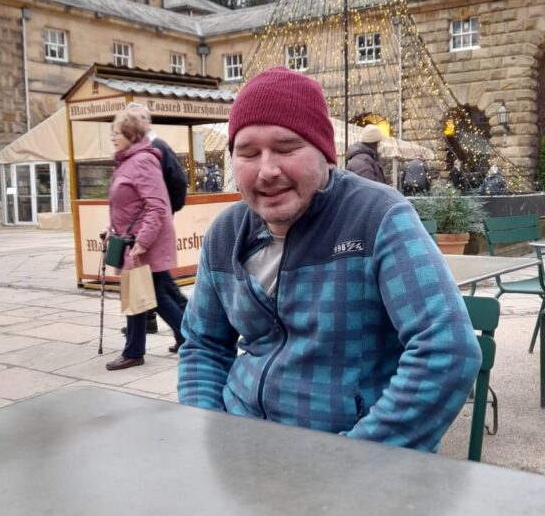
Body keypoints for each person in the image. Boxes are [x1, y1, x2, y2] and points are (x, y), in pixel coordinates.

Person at [178, 67, 481, 451]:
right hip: (244, 447)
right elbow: (202, 346)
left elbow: (448, 351)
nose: (267, 170)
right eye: (248, 152)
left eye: (286, 148)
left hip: (351, 452)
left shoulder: (378, 217)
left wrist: (354, 458)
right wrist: (210, 431)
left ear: (326, 153)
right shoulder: (225, 235)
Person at [105, 110, 184, 370]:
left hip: (143, 244)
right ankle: (137, 350)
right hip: (132, 242)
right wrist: (111, 230)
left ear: (130, 134)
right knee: (140, 295)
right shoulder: (128, 161)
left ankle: (192, 339)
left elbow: (157, 206)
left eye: (116, 133)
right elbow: (127, 206)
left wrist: (143, 241)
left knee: (155, 296)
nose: (113, 137)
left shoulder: (141, 161)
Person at [122, 102, 188, 346]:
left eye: (137, 118)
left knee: (159, 288)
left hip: (151, 227)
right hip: (145, 227)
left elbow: (178, 184)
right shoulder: (139, 150)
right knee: (157, 285)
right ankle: (144, 333)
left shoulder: (155, 148)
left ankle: (187, 335)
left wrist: (166, 212)